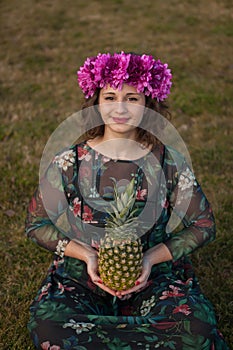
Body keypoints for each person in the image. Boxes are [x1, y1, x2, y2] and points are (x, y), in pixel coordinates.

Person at [25, 52, 229, 349]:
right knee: (49, 327)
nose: (120, 108)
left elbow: (204, 224)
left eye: (132, 98)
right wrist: (86, 256)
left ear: (149, 105)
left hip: (154, 276)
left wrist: (149, 259)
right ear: (96, 104)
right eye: (110, 97)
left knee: (195, 325)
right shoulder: (70, 162)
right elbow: (35, 224)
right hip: (82, 276)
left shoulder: (168, 162)